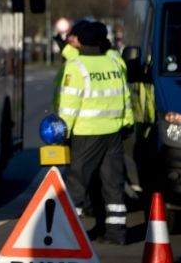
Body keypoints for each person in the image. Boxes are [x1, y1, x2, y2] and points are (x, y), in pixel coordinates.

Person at [54, 21, 134, 245]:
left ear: (79, 41)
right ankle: (116, 234)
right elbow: (124, 97)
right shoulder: (113, 62)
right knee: (113, 184)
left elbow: (69, 107)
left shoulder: (77, 67)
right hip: (114, 132)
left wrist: (62, 133)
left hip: (86, 133)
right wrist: (127, 124)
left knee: (77, 184)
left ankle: (69, 236)